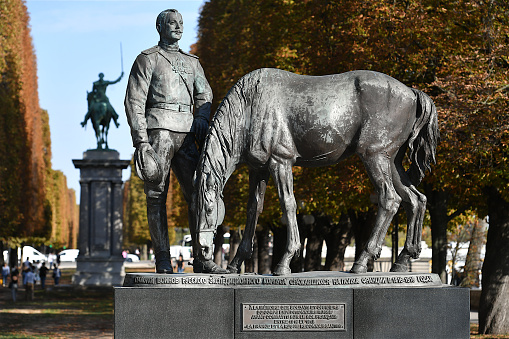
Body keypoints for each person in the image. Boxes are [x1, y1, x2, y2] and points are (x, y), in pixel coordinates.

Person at [125, 9, 222, 274]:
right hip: (159, 131)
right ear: (160, 27)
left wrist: (202, 118)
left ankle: (202, 257)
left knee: (199, 194)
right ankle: (163, 259)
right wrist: (141, 141)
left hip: (188, 132)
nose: (178, 27)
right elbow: (134, 101)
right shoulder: (148, 59)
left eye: (181, 23)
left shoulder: (192, 62)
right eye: (172, 23)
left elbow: (205, 94)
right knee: (156, 196)